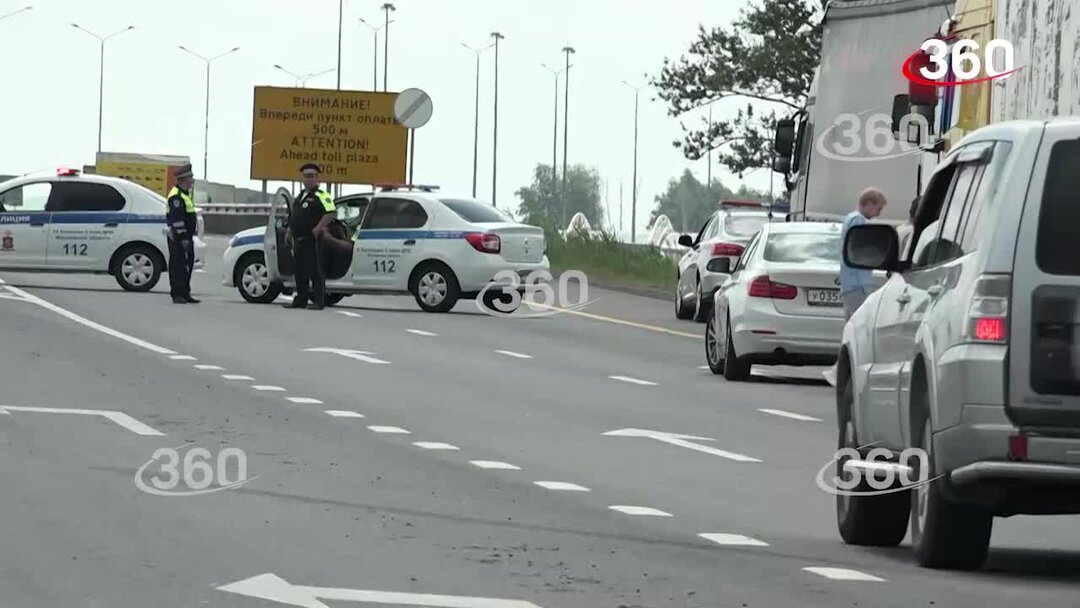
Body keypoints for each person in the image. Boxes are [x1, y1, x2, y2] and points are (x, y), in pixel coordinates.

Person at [283, 163, 336, 310]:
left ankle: (319, 301)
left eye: (311, 176)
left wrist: (319, 227)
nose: (308, 179)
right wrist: (289, 231)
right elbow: (294, 216)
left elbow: (331, 212)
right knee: (300, 271)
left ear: (317, 178)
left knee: (315, 270)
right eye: (305, 176)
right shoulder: (300, 196)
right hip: (299, 239)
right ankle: (301, 299)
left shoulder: (322, 195)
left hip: (313, 239)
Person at [840, 187, 888, 320]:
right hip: (857, 284)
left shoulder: (850, 218)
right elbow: (860, 254)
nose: (878, 214)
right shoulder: (858, 221)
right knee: (858, 322)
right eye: (878, 209)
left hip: (849, 283)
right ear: (869, 204)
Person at [166, 164, 199, 304]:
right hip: (179, 238)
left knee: (187, 265)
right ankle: (177, 294)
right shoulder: (176, 197)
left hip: (187, 237)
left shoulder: (185, 195)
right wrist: (183, 238)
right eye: (191, 177)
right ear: (183, 179)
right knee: (178, 265)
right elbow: (177, 220)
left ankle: (185, 293)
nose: (193, 180)